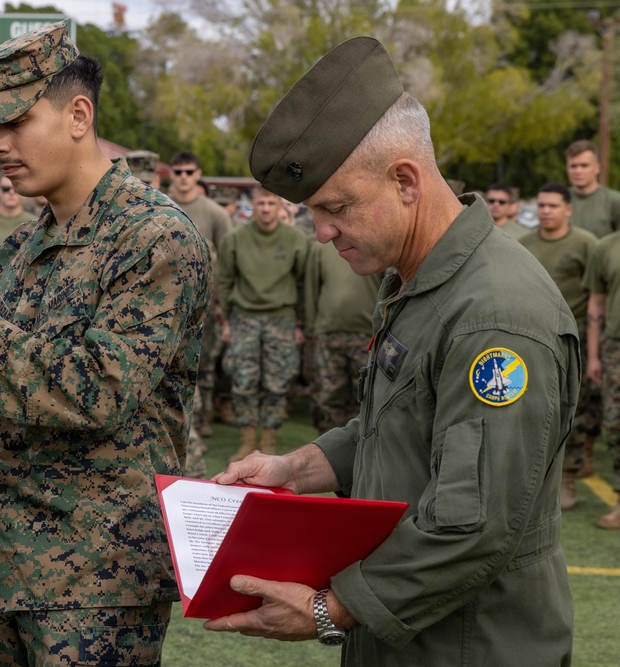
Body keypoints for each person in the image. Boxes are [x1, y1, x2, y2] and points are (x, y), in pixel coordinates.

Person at [205, 37, 578, 665]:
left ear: (405, 180)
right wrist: (295, 470)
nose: (321, 233)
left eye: (335, 208)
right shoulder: (420, 277)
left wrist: (330, 609)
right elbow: (401, 426)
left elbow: (473, 524)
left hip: (469, 644)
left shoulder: (495, 316)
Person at [0, 21, 211, 665]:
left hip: (96, 579)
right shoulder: (18, 250)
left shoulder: (154, 238)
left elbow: (98, 395)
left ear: (78, 115)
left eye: (15, 124)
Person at [519, 183, 599, 508]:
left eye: (553, 206)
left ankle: (567, 478)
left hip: (572, 338)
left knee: (573, 411)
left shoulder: (586, 244)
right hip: (531, 337)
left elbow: (597, 292)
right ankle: (530, 477)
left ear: (568, 209)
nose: (546, 211)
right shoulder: (522, 245)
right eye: (541, 205)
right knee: (531, 408)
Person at [218, 187, 308, 461]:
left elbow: (303, 282)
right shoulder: (236, 238)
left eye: (271, 203)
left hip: (282, 317)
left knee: (278, 382)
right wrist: (227, 320)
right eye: (261, 203)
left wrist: (299, 323)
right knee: (243, 380)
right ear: (252, 205)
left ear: (280, 205)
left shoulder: (296, 239)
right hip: (244, 317)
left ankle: (268, 442)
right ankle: (247, 441)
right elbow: (225, 281)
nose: (266, 208)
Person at [167, 150, 231, 442]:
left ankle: (202, 420)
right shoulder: (157, 205)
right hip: (163, 302)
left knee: (202, 364)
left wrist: (221, 305)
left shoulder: (214, 213)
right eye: (178, 172)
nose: (183, 178)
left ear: (198, 174)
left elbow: (228, 259)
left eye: (189, 172)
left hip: (203, 305)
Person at [304, 238, 382, 432]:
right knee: (328, 396)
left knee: (366, 397)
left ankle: (362, 453)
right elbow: (311, 288)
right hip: (327, 333)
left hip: (367, 335)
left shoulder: (376, 245)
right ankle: (326, 454)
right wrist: (313, 327)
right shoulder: (320, 249)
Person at [582, 216, 620, 529]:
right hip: (615, 348)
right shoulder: (606, 247)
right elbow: (596, 302)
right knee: (615, 423)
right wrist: (593, 354)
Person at [566, 139, 620, 238]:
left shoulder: (615, 201)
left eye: (584, 165)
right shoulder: (558, 201)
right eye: (573, 166)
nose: (578, 171)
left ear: (597, 168)